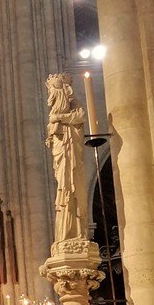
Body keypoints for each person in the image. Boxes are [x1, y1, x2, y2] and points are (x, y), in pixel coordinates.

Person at [45, 73, 87, 242]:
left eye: (54, 93)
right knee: (62, 185)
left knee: (72, 186)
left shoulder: (73, 109)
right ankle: (65, 233)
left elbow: (80, 117)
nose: (51, 98)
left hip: (72, 156)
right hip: (61, 158)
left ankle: (77, 231)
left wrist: (60, 118)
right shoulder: (53, 116)